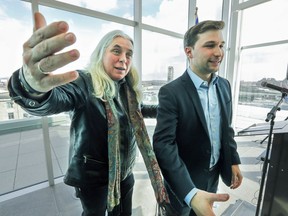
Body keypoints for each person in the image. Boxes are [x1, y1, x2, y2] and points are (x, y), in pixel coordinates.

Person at [8, 12, 170, 216]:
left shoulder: (126, 88)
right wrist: (30, 87)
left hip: (125, 172)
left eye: (128, 54)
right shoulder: (84, 82)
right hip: (94, 178)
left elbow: (137, 110)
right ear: (101, 53)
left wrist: (166, 109)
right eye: (116, 51)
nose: (123, 59)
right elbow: (54, 99)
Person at [152, 20, 243, 216]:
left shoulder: (224, 86)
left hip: (213, 175)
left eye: (221, 45)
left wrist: (233, 160)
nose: (218, 52)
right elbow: (163, 145)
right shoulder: (171, 92)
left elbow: (226, 129)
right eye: (210, 45)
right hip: (183, 181)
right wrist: (190, 194)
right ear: (189, 51)